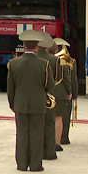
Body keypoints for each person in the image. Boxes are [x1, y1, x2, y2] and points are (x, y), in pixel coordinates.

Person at [7, 30, 54, 172]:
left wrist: (12, 104)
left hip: (20, 104)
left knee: (21, 134)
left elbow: (10, 88)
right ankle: (35, 165)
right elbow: (50, 86)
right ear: (37, 46)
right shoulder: (44, 64)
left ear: (24, 46)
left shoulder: (13, 63)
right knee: (36, 134)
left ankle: (22, 164)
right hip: (38, 104)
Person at [36, 31, 59, 160]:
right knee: (50, 124)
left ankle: (37, 152)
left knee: (36, 125)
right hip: (49, 96)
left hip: (35, 95)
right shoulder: (55, 60)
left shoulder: (32, 57)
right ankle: (50, 152)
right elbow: (56, 78)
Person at [55, 38, 78, 145]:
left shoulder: (52, 60)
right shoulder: (71, 61)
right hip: (64, 92)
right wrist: (74, 93)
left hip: (54, 91)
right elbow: (73, 79)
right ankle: (64, 138)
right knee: (65, 116)